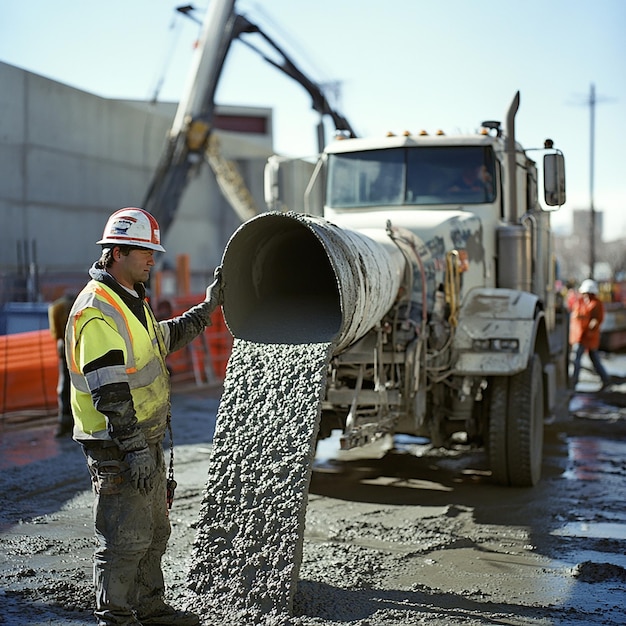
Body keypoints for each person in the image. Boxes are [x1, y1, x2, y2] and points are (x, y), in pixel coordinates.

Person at [65, 207, 223, 626]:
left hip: (143, 440)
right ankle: (116, 616)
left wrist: (207, 308)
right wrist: (133, 447)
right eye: (145, 252)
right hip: (117, 443)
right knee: (124, 538)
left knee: (155, 533)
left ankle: (150, 609)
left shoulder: (130, 301)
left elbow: (162, 339)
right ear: (117, 252)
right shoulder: (97, 310)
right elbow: (110, 392)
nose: (154, 259)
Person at [569, 278, 611, 391]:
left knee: (593, 359)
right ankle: (573, 383)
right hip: (579, 336)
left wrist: (593, 326)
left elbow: (598, 319)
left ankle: (606, 380)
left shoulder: (596, 304)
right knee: (576, 359)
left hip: (589, 336)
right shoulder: (580, 303)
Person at [48, 291, 75, 436]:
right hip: (78, 344)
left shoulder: (56, 307)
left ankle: (65, 419)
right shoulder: (80, 304)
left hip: (64, 345)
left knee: (65, 383)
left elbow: (55, 333)